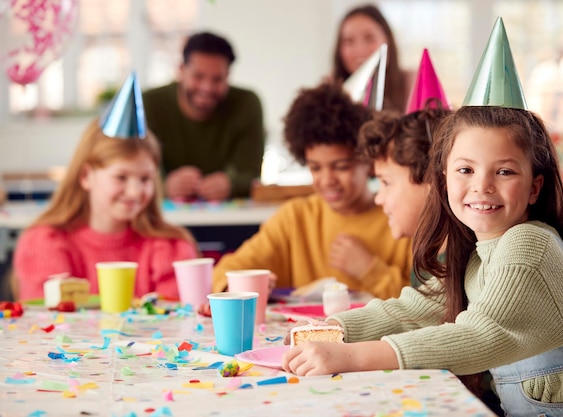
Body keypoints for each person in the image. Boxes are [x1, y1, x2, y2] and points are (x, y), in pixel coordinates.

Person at [283, 18, 563, 416]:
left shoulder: (529, 245)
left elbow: (480, 336)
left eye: (505, 171)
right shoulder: (479, 253)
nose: (481, 186)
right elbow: (414, 308)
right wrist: (335, 329)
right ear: (443, 179)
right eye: (466, 170)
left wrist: (351, 357)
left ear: (535, 187)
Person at [212, 82, 412, 300]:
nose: (327, 180)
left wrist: (370, 270)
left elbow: (425, 306)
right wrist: (236, 289)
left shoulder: (401, 218)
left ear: (368, 162)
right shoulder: (295, 218)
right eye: (315, 167)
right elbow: (228, 271)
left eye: (341, 166)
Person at [14, 73, 198, 301]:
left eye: (145, 179)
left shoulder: (171, 248)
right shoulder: (44, 243)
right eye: (121, 177)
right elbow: (46, 326)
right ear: (85, 176)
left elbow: (180, 326)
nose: (135, 191)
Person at [142, 32, 265, 202]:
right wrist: (163, 184)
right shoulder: (148, 103)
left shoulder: (247, 103)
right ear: (181, 70)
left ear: (228, 76)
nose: (207, 87)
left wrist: (231, 184)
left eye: (217, 79)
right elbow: (133, 166)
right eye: (198, 76)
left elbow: (250, 173)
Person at [359, 106, 449, 287]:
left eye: (386, 183)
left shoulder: (465, 261)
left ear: (433, 180)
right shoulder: (426, 256)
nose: (378, 198)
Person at [331, 4, 409, 113]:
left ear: (388, 41)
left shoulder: (412, 85)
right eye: (349, 41)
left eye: (370, 38)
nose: (360, 50)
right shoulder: (327, 97)